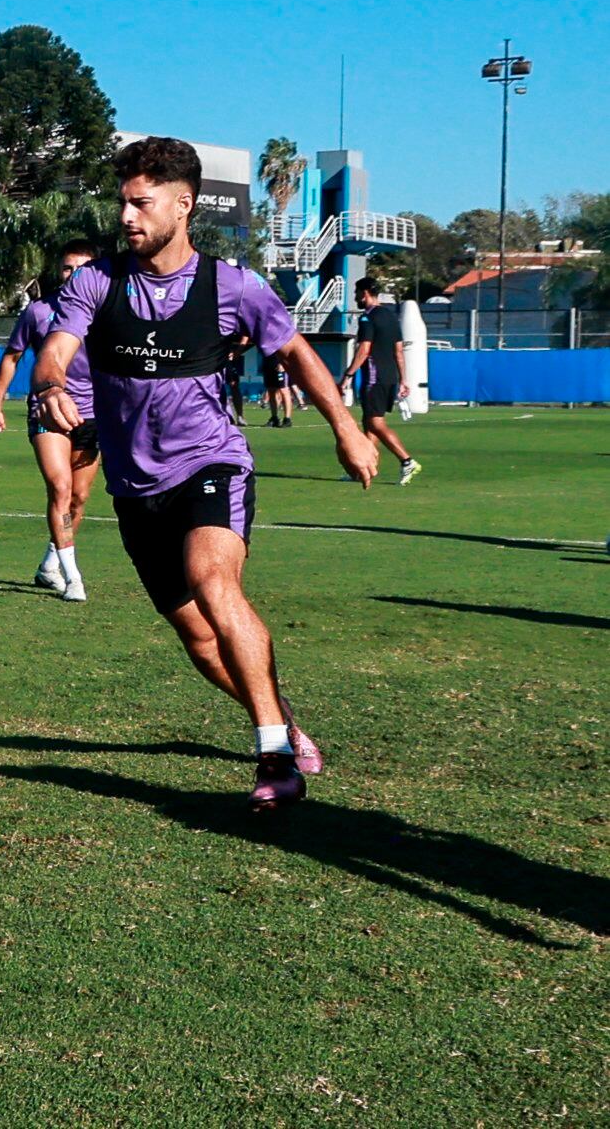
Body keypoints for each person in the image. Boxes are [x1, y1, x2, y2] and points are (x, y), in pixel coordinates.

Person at [32, 136, 377, 812]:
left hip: (211, 463)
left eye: (142, 203)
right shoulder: (96, 282)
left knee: (214, 582)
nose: (126, 216)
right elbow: (56, 349)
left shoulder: (232, 285)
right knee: (197, 637)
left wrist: (345, 428)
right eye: (123, 202)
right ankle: (281, 718)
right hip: (135, 487)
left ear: (183, 204)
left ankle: (274, 757)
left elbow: (297, 352)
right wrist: (49, 384)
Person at [0, 241, 100, 601]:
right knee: (61, 488)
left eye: (83, 268)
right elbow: (12, 357)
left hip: (92, 414)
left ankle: (50, 564)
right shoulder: (38, 311)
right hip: (47, 410)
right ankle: (73, 578)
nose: (74, 275)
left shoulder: (106, 312)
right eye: (67, 268)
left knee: (79, 498)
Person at [341, 276, 422, 486]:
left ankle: (406, 461)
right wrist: (403, 379)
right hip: (389, 377)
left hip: (374, 378)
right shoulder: (390, 316)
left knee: (375, 423)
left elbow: (364, 349)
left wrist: (348, 375)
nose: (355, 297)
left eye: (357, 293)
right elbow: (399, 351)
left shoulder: (368, 318)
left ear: (365, 293)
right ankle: (364, 470)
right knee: (370, 423)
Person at [260, 350, 293, 427]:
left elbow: (285, 349)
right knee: (271, 391)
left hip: (280, 365)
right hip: (268, 364)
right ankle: (274, 418)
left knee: (284, 390)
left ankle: (287, 419)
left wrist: (282, 363)